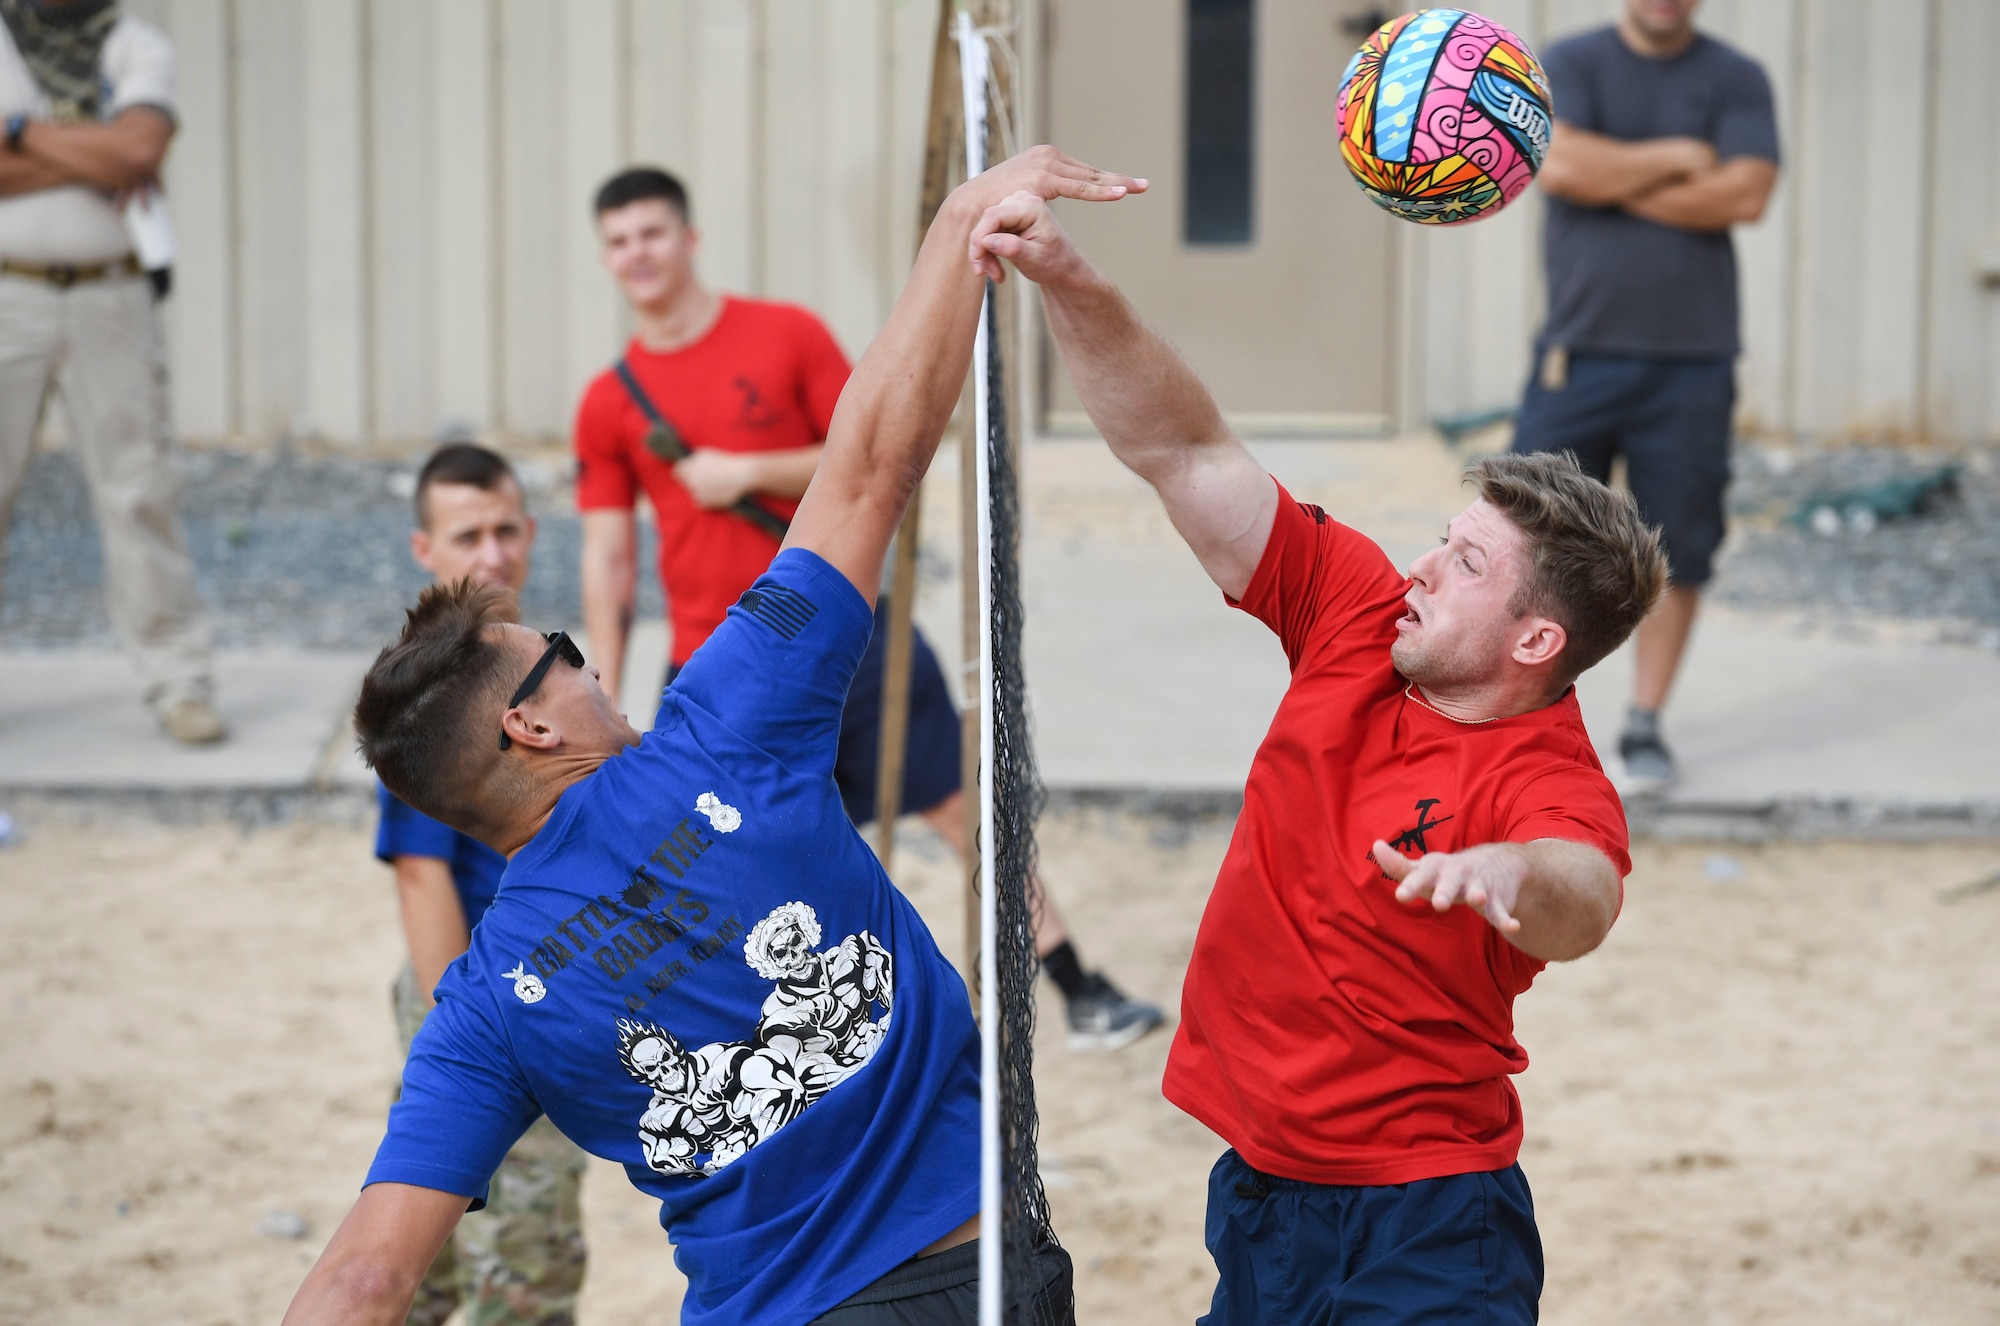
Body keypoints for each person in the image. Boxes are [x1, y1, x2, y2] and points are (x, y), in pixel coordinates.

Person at [280, 145, 1142, 1326]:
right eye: (566, 655)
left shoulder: (477, 1012)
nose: (594, 666)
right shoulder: (723, 729)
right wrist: (954, 229)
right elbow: (873, 465)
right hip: (974, 1278)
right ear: (531, 725)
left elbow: (365, 1278)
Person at [965, 188, 1668, 1319]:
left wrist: (1508, 875)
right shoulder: (1359, 617)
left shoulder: (1546, 777)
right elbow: (1181, 448)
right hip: (1261, 1192)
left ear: (1535, 641)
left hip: (1432, 1219)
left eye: (1467, 565)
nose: (1425, 567)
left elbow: (1583, 894)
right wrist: (1070, 281)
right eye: (1445, 539)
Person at [573, 166, 1162, 1050]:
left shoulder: (785, 336)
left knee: (960, 812)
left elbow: (875, 448)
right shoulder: (609, 401)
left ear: (688, 239)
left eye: (652, 233)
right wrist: (607, 688)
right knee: (737, 862)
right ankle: (797, 1039)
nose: (638, 254)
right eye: (619, 242)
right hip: (716, 663)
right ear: (606, 259)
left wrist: (746, 472)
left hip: (850, 631)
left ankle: (1079, 987)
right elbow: (608, 557)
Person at [1513, 0, 1780, 791]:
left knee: (1680, 547)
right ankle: (1528, 719)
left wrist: (1613, 177)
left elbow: (1746, 197)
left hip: (1692, 362)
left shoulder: (1736, 78)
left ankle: (1643, 726)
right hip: (1577, 353)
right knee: (1532, 541)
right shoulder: (1571, 63)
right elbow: (1559, 168)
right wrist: (1682, 156)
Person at [376, 442, 590, 1326]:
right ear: (426, 550)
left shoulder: (524, 659)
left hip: (523, 988)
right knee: (526, 1261)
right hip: (480, 996)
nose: (493, 553)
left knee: (439, 1244)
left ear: (533, 534)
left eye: (507, 529)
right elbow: (423, 877)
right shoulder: (441, 690)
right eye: (469, 535)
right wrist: (470, 1038)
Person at [0, 0, 224, 744]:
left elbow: (138, 152)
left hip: (113, 295)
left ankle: (178, 680)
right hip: (12, 290)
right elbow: (115, 151)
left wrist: (21, 132)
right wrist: (94, 146)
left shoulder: (133, 44)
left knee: (139, 491)